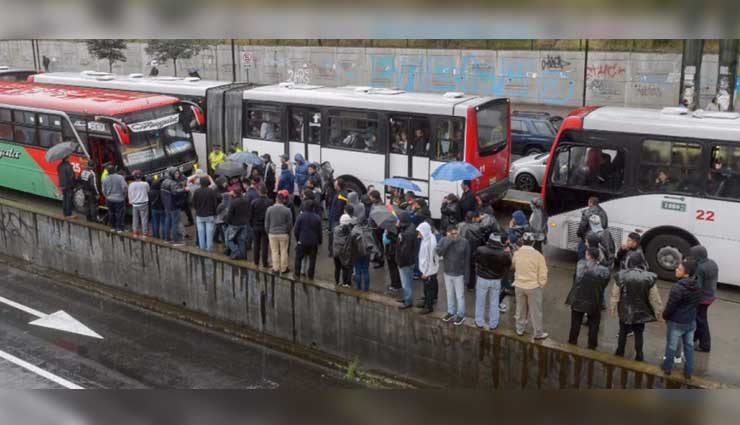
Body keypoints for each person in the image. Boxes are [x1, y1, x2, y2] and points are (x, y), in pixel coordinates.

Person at [610, 252, 663, 361]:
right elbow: (655, 297)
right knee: (639, 334)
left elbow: (615, 293)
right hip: (641, 312)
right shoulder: (649, 277)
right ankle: (639, 355)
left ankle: (619, 352)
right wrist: (658, 311)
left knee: (623, 332)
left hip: (624, 311)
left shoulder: (621, 275)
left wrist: (613, 307)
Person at [661, 259, 702, 379]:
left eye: (679, 269)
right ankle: (688, 371)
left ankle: (667, 368)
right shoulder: (698, 285)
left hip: (676, 322)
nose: (676, 270)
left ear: (686, 273)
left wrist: (665, 316)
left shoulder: (677, 288)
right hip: (690, 322)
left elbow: (670, 306)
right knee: (689, 347)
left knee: (671, 346)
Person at [567, 247, 610, 349]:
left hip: (578, 299)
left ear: (588, 255)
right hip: (594, 301)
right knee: (594, 324)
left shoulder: (580, 265)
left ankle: (572, 341)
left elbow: (575, 281)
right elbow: (604, 285)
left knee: (575, 323)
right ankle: (592, 345)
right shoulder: (605, 271)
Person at [512, 233, 549, 340]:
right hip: (533, 286)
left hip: (519, 285)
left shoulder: (517, 253)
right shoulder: (538, 255)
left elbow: (514, 265)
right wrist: (541, 284)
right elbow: (543, 273)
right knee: (536, 311)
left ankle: (520, 329)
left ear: (523, 241)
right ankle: (538, 333)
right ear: (533, 242)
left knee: (520, 309)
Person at [474, 233, 512, 330]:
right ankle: (493, 323)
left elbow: (475, 259)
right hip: (496, 280)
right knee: (494, 303)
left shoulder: (480, 249)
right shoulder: (504, 253)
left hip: (482, 279)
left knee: (480, 302)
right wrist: (508, 254)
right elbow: (508, 265)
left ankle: (479, 322)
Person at [436, 226, 471, 326]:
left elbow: (467, 261)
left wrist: (467, 277)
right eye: (452, 234)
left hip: (459, 274)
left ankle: (461, 315)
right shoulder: (444, 240)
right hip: (447, 272)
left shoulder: (464, 242)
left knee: (460, 296)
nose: (454, 236)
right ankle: (450, 312)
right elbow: (439, 253)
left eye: (456, 233)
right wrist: (448, 241)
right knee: (449, 293)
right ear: (447, 233)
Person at [689, 245, 719, 353]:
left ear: (698, 256)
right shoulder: (712, 263)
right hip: (710, 295)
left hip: (702, 298)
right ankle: (694, 338)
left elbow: (698, 286)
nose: (691, 257)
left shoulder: (700, 267)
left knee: (701, 321)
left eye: (693, 255)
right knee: (699, 318)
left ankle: (705, 345)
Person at [293, 199, 322, 279]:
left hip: (302, 241)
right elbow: (319, 231)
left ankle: (297, 274)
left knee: (298, 258)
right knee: (312, 260)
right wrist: (319, 241)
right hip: (313, 242)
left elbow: (296, 230)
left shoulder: (300, 217)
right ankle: (310, 275)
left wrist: (298, 239)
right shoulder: (317, 218)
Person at [265, 191, 293, 274]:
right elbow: (289, 224)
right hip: (283, 233)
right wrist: (288, 232)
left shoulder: (269, 209)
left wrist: (268, 232)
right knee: (284, 251)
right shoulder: (287, 210)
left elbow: (266, 223)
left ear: (276, 199)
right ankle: (284, 268)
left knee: (274, 251)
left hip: (272, 233)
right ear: (283, 200)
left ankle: (275, 268)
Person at [192, 176, 221, 252]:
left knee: (201, 233)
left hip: (199, 215)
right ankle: (209, 249)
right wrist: (214, 213)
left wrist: (197, 209)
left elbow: (193, 203)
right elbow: (215, 203)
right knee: (209, 234)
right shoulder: (211, 191)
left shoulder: (196, 191)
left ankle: (202, 249)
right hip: (209, 215)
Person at [417, 222, 440, 315]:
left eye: (420, 233)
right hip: (428, 269)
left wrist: (425, 273)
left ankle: (428, 306)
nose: (418, 236)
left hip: (429, 270)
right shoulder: (427, 237)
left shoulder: (430, 242)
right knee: (429, 287)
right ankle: (428, 301)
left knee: (428, 288)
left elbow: (430, 258)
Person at [396, 212, 417, 309]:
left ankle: (408, 301)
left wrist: (400, 262)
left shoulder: (407, 233)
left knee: (406, 282)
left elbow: (404, 250)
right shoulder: (410, 227)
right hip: (410, 260)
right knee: (407, 281)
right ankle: (406, 297)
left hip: (405, 262)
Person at [160, 167, 187, 244]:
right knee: (175, 223)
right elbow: (176, 191)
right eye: (176, 173)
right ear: (172, 173)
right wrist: (184, 189)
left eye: (178, 173)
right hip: (174, 206)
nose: (177, 175)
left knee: (167, 221)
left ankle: (166, 238)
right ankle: (175, 240)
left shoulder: (164, 181)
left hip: (167, 206)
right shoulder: (173, 183)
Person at [225, 186, 252, 260]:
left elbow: (229, 214)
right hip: (244, 223)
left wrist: (228, 222)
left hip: (234, 224)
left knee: (229, 240)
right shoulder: (246, 201)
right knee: (242, 241)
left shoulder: (233, 202)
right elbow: (249, 212)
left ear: (234, 193)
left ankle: (236, 252)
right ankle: (243, 257)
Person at [250, 186, 273, 268]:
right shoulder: (270, 202)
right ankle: (265, 263)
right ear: (266, 192)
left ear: (259, 192)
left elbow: (251, 215)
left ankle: (256, 261)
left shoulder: (254, 202)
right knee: (265, 245)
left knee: (256, 244)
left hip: (256, 226)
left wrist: (252, 224)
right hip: (265, 226)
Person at [101, 166, 127, 233]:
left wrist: (107, 196)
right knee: (119, 213)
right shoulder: (120, 177)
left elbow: (103, 190)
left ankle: (112, 227)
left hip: (109, 199)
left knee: (111, 212)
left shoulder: (105, 179)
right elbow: (124, 187)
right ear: (115, 170)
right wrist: (124, 195)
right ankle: (119, 228)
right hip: (119, 199)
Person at [332, 214, 354, 287]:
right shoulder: (349, 232)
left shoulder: (335, 229)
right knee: (345, 267)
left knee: (337, 268)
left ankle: (337, 281)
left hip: (336, 252)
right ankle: (345, 283)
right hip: (344, 253)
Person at [328, 179, 349, 254]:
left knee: (334, 235)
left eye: (335, 184)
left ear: (338, 186)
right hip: (336, 218)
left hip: (336, 219)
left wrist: (333, 218)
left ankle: (333, 251)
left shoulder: (341, 195)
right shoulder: (341, 193)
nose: (334, 185)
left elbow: (338, 208)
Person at [128, 171, 150, 238]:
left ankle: (135, 232)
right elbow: (148, 191)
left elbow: (129, 194)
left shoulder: (131, 185)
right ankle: (145, 233)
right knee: (144, 219)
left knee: (135, 219)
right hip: (144, 203)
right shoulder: (145, 184)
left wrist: (131, 202)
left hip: (135, 204)